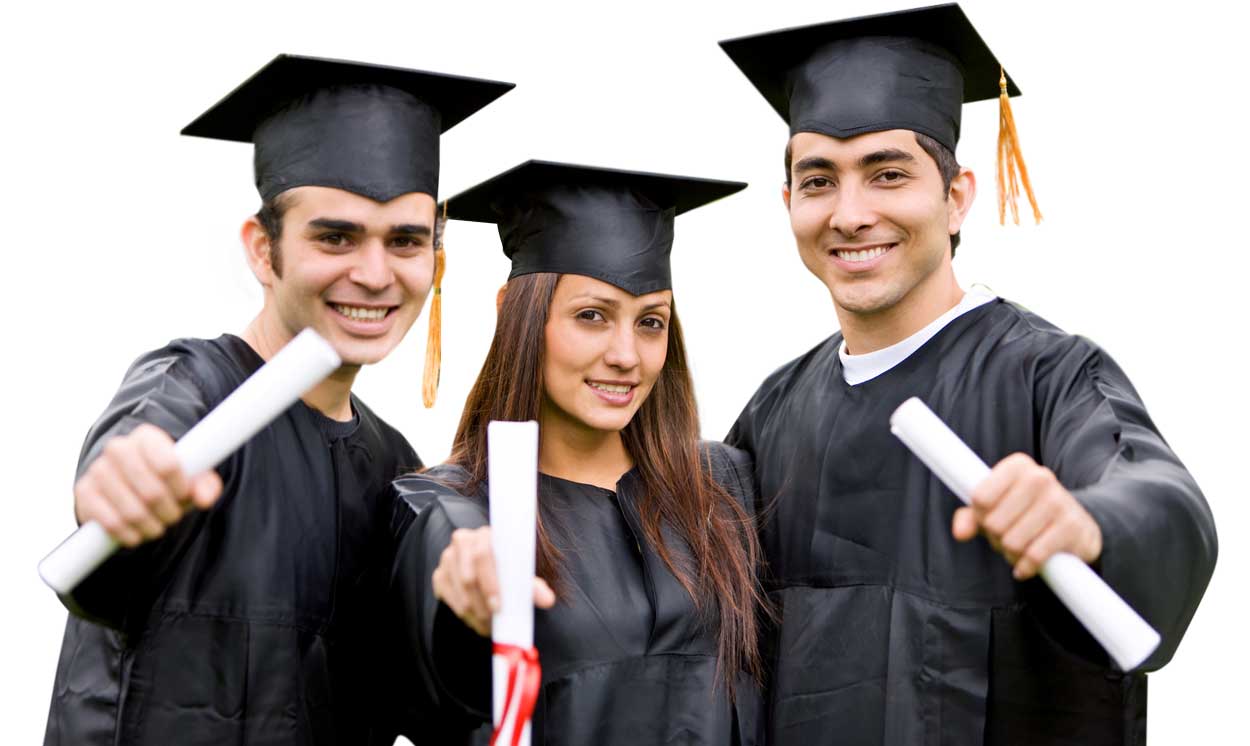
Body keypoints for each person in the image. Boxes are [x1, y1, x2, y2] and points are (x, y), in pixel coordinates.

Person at [718, 5, 1218, 745]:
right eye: (819, 181)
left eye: (887, 174)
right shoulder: (772, 413)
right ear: (789, 204)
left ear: (956, 197)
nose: (850, 214)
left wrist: (1087, 525)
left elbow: (1165, 501)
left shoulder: (1047, 375)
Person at [42, 54, 513, 746]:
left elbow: (419, 701)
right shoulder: (193, 389)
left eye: (405, 241)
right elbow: (134, 459)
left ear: (434, 264)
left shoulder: (395, 466)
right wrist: (119, 486)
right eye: (336, 236)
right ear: (263, 251)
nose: (375, 273)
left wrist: (472, 617)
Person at [386, 161, 767, 745]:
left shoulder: (725, 486)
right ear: (513, 310)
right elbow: (446, 575)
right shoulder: (451, 506)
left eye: (650, 322)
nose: (626, 355)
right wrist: (466, 584)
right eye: (592, 316)